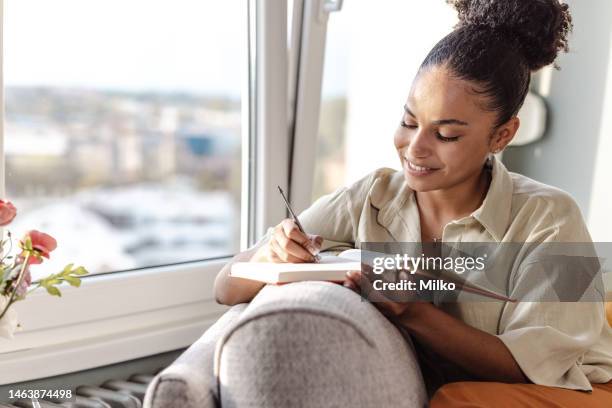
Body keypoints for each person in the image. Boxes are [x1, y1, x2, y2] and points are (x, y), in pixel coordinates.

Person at [214, 0, 612, 404]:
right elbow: (225, 285)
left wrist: (415, 312)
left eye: (446, 135)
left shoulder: (551, 218)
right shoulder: (373, 196)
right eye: (409, 122)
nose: (415, 149)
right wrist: (273, 255)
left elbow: (525, 367)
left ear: (502, 136)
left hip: (572, 393)